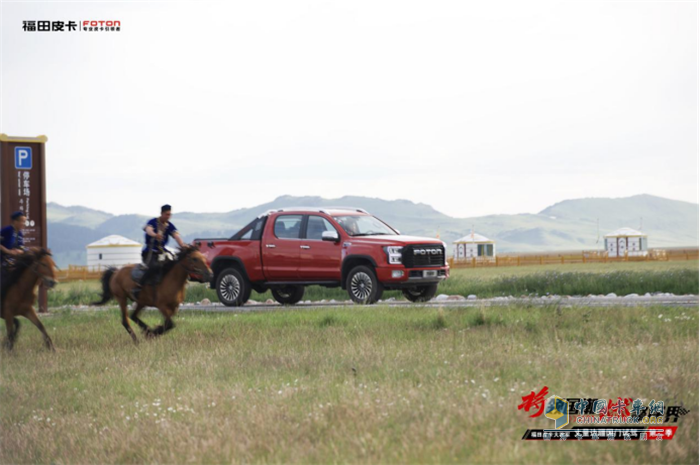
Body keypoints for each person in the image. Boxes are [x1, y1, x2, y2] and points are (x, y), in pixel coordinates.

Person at [132, 205, 186, 298]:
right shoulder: (152, 222)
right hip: (150, 252)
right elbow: (148, 230)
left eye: (169, 214)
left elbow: (176, 236)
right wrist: (155, 235)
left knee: (172, 265)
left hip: (162, 252)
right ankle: (139, 287)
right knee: (153, 267)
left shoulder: (169, 225)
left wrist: (183, 245)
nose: (168, 216)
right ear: (161, 213)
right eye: (166, 214)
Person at [1, 211, 27, 299]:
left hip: (12, 261)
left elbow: (21, 248)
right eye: (21, 221)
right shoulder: (6, 230)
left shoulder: (19, 234)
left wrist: (19, 251)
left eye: (24, 221)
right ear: (15, 221)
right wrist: (8, 251)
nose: (23, 224)